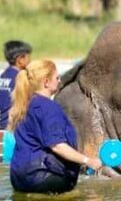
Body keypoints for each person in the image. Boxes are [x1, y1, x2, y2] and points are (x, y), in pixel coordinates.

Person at [9, 59, 103, 194]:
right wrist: (89, 161)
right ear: (46, 82)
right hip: (45, 176)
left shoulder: (23, 105)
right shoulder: (48, 107)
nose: (59, 81)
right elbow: (58, 146)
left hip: (18, 179)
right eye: (57, 78)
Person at [0, 40, 32, 164]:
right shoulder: (20, 78)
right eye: (28, 57)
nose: (30, 61)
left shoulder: (4, 75)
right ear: (20, 59)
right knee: (6, 173)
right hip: (4, 137)